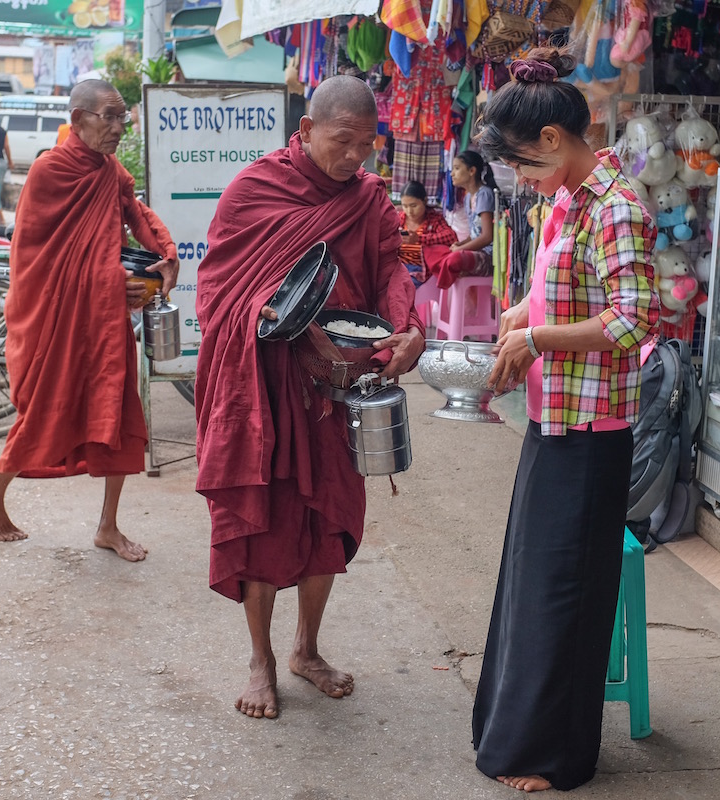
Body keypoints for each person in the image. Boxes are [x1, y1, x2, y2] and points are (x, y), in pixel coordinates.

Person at [195, 75, 426, 720]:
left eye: (366, 145)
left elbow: (390, 270)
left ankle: (307, 648)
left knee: (330, 515)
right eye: (342, 141)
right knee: (266, 520)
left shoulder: (371, 199)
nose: (354, 157)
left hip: (341, 385)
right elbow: (217, 290)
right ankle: (261, 659)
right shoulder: (255, 189)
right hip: (267, 386)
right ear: (307, 128)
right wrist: (290, 321)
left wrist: (407, 331)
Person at [471, 48, 659, 793]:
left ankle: (556, 754)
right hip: (553, 416)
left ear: (553, 139)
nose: (519, 180)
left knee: (564, 592)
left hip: (592, 431)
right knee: (532, 579)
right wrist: (521, 314)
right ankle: (519, 733)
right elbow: (556, 290)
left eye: (521, 163)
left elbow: (633, 320)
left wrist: (537, 339)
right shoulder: (566, 201)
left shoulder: (617, 206)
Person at [0, 79, 180, 563]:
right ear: (78, 118)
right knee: (46, 409)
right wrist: (111, 284)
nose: (118, 127)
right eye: (108, 116)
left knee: (121, 416)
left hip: (103, 323)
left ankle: (108, 526)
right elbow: (34, 259)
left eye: (122, 118)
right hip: (61, 323)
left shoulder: (109, 170)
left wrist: (167, 254)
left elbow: (138, 215)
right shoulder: (50, 171)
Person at [429, 149, 498, 289]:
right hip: (476, 252)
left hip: (489, 257)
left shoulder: (484, 194)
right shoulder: (468, 197)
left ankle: (443, 282)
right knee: (433, 251)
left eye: (457, 168)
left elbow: (487, 237)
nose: (452, 174)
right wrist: (459, 245)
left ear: (472, 170)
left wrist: (459, 250)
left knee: (454, 258)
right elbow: (474, 235)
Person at [396, 180, 457, 286]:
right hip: (398, 267)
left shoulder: (434, 219)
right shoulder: (399, 219)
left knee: (401, 288)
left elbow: (451, 236)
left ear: (424, 201)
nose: (409, 211)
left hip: (421, 271)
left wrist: (419, 239)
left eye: (413, 206)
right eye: (405, 206)